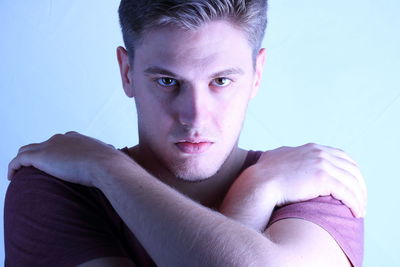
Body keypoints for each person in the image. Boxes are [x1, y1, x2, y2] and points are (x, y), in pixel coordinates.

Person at [5, 0, 367, 266]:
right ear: (127, 72)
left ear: (257, 73)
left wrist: (106, 168)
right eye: (167, 81)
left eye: (221, 81)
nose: (194, 117)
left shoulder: (313, 182)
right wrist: (254, 198)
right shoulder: (57, 187)